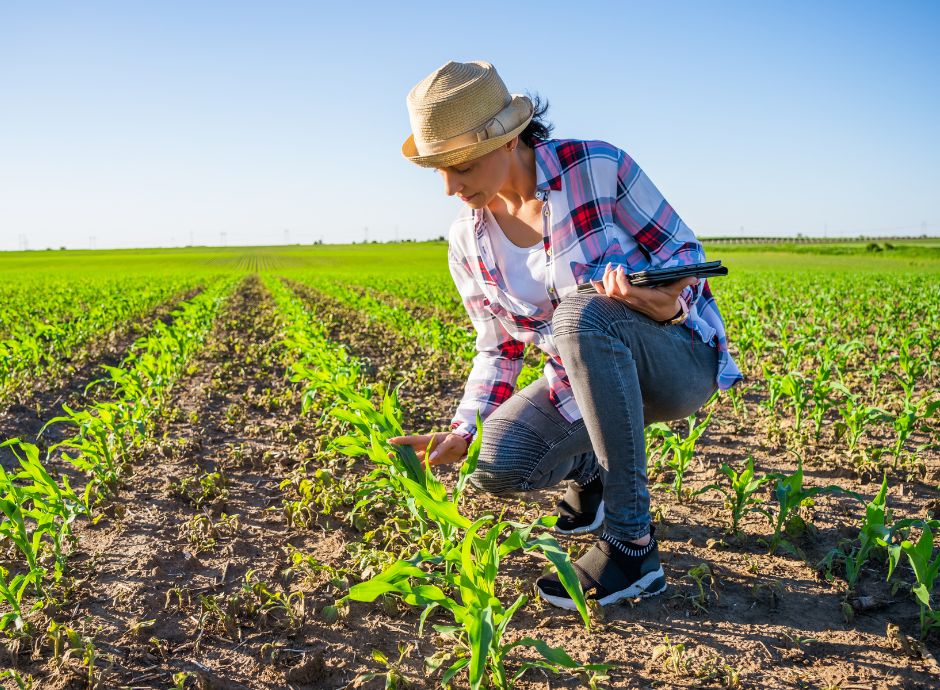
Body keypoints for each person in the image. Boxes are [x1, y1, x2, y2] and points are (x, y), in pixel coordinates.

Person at [389, 60, 742, 609]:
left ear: (507, 140)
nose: (450, 187)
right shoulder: (468, 239)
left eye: (461, 165)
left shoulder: (597, 167)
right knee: (491, 464)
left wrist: (662, 300)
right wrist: (463, 430)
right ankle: (592, 474)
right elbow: (499, 345)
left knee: (582, 314)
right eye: (438, 169)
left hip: (673, 357)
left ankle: (631, 544)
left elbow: (685, 255)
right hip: (579, 383)